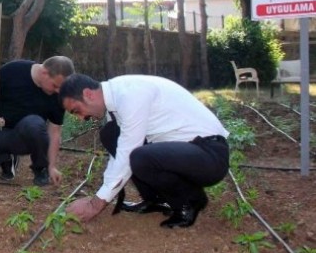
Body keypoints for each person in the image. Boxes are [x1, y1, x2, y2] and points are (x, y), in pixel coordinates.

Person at [59, 73, 229, 229]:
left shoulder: (129, 95)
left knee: (139, 156)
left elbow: (127, 154)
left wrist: (95, 204)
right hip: (185, 152)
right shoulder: (116, 101)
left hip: (209, 155)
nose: (81, 118)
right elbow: (118, 155)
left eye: (77, 110)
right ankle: (155, 199)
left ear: (88, 94)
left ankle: (189, 201)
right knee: (110, 133)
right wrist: (103, 194)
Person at [0, 56, 75, 186]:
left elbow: (54, 132)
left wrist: (52, 166)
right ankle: (4, 158)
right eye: (55, 86)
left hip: (23, 140)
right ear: (44, 73)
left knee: (34, 123)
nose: (58, 91)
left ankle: (40, 169)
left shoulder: (58, 96)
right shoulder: (14, 70)